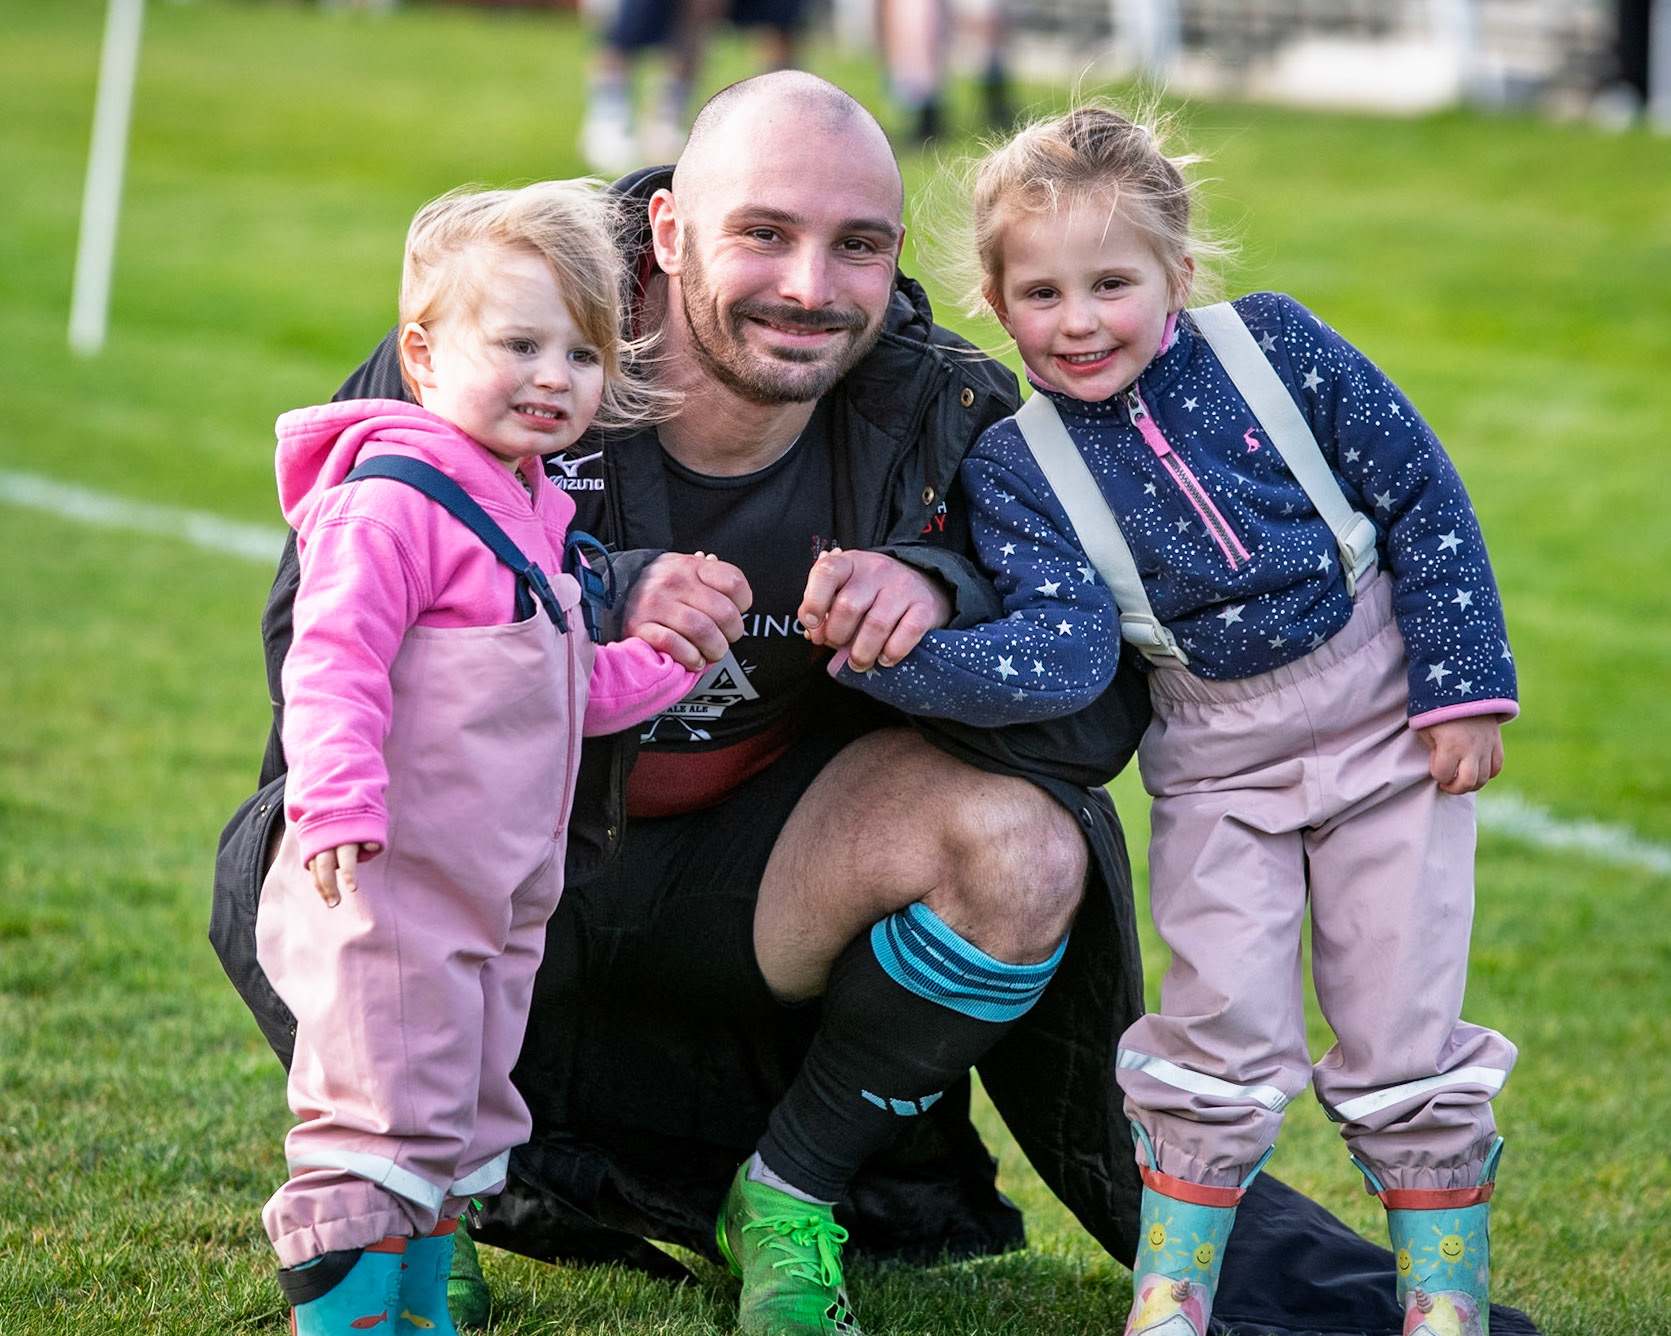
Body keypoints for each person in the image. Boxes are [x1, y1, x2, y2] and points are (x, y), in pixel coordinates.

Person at [211, 72, 1542, 1336]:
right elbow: (314, 663)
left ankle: (787, 1195)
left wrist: (938, 609)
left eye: (856, 245)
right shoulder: (500, 340)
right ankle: (409, 1215)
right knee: (310, 853)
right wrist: (596, 593)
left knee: (1022, 844)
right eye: (763, 234)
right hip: (491, 859)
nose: (810, 286)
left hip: (755, 894)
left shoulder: (951, 415)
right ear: (666, 231)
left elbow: (1089, 729)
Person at [836, 104, 1520, 1336]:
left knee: (1402, 1017)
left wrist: (1461, 685)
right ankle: (1173, 1301)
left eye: (1112, 282)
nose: (1080, 320)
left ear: (1178, 274)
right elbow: (1067, 648)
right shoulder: (1017, 467)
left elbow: (1420, 492)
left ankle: (1444, 1304)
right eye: (1041, 292)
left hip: (1385, 735)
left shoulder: (1279, 349)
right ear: (995, 301)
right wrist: (896, 661)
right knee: (1214, 1026)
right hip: (1217, 768)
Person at [255, 181, 702, 1334]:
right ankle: (350, 1315)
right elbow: (333, 660)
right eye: (519, 343)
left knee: (455, 1112)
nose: (556, 376)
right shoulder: (392, 504)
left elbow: (552, 690)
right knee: (378, 1116)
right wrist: (339, 801)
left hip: (491, 897)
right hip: (392, 882)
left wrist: (661, 666)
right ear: (423, 351)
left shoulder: (529, 508)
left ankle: (419, 1307)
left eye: (583, 353)